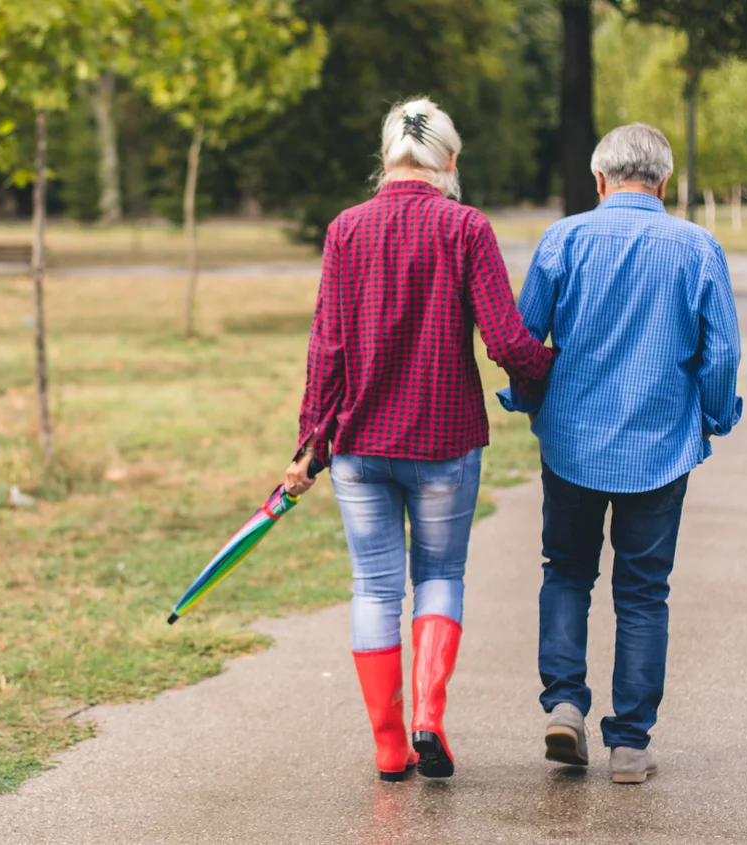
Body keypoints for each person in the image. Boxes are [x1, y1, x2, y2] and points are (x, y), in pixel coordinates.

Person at [285, 97, 554, 782]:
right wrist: (548, 372)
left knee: (374, 589)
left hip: (359, 444)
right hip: (443, 439)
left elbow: (327, 347)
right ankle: (428, 718)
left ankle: (388, 746)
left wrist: (311, 443)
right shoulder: (466, 227)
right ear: (450, 160)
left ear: (386, 158)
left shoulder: (346, 230)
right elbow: (505, 340)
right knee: (439, 576)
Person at [500, 123, 742, 784]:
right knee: (642, 592)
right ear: (664, 183)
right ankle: (630, 744)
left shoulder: (564, 239)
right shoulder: (698, 247)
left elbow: (523, 338)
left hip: (572, 444)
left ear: (599, 180)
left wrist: (528, 400)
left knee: (566, 571)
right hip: (660, 447)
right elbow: (722, 351)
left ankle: (565, 704)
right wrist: (714, 415)